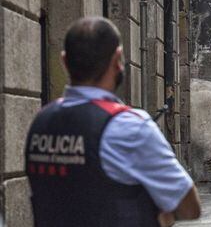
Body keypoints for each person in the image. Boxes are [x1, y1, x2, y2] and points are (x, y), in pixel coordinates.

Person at [25, 17, 200, 227]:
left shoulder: (41, 122)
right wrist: (163, 217)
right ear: (117, 59)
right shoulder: (130, 127)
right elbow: (189, 206)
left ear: (64, 61)